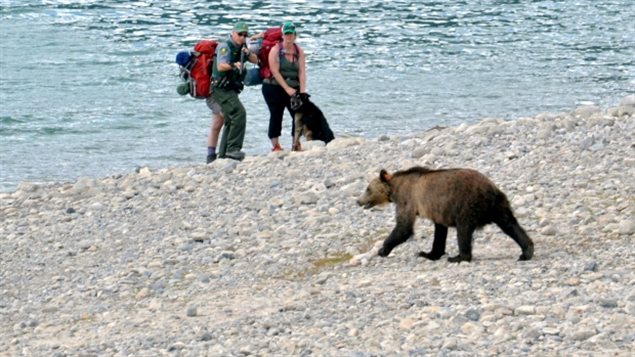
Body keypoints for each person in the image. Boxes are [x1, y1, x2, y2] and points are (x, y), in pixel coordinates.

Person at [210, 21, 258, 161]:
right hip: (220, 88)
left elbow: (256, 61)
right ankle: (233, 149)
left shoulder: (242, 47)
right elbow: (220, 66)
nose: (242, 37)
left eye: (245, 35)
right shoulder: (225, 47)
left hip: (230, 88)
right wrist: (233, 65)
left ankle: (223, 154)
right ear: (233, 33)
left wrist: (248, 53)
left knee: (230, 119)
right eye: (240, 34)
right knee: (239, 113)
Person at [261, 21, 306, 152]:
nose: (289, 37)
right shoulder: (276, 50)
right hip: (273, 87)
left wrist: (302, 92)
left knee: (298, 114)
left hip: (293, 87)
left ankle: (295, 143)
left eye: (291, 34)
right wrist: (287, 88)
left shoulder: (299, 51)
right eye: (286, 34)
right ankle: (276, 145)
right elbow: (275, 71)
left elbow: (302, 71)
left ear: (295, 35)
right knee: (276, 114)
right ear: (282, 35)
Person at [205, 97, 224, 164]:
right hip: (217, 95)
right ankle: (223, 153)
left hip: (214, 96)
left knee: (216, 125)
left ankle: (211, 156)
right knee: (230, 119)